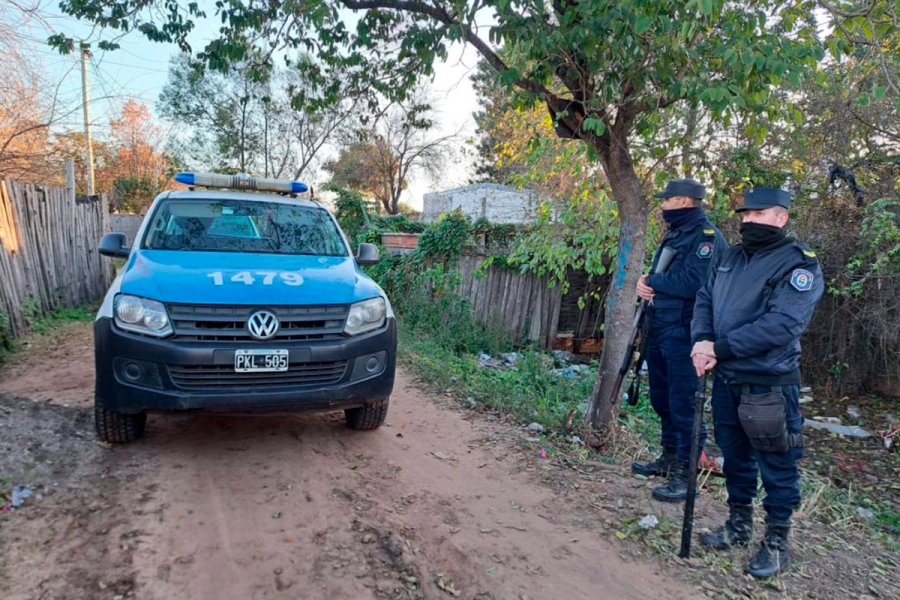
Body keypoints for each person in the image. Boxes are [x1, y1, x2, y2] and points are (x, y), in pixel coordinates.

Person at [690, 187, 824, 578]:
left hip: (769, 383)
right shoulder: (730, 257)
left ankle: (778, 542)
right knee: (735, 458)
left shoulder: (799, 264)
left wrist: (720, 347)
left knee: (778, 465)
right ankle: (738, 525)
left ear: (781, 218)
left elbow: (782, 325)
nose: (748, 220)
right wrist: (701, 340)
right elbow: (704, 299)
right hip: (727, 379)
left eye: (758, 214)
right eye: (745, 214)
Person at [631, 178, 727, 503]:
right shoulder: (676, 233)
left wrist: (652, 280)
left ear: (685, 201)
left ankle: (686, 478)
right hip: (660, 325)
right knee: (663, 399)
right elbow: (663, 276)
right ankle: (668, 459)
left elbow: (692, 282)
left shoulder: (705, 237)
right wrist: (645, 286)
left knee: (685, 405)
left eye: (667, 200)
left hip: (687, 332)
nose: (662, 205)